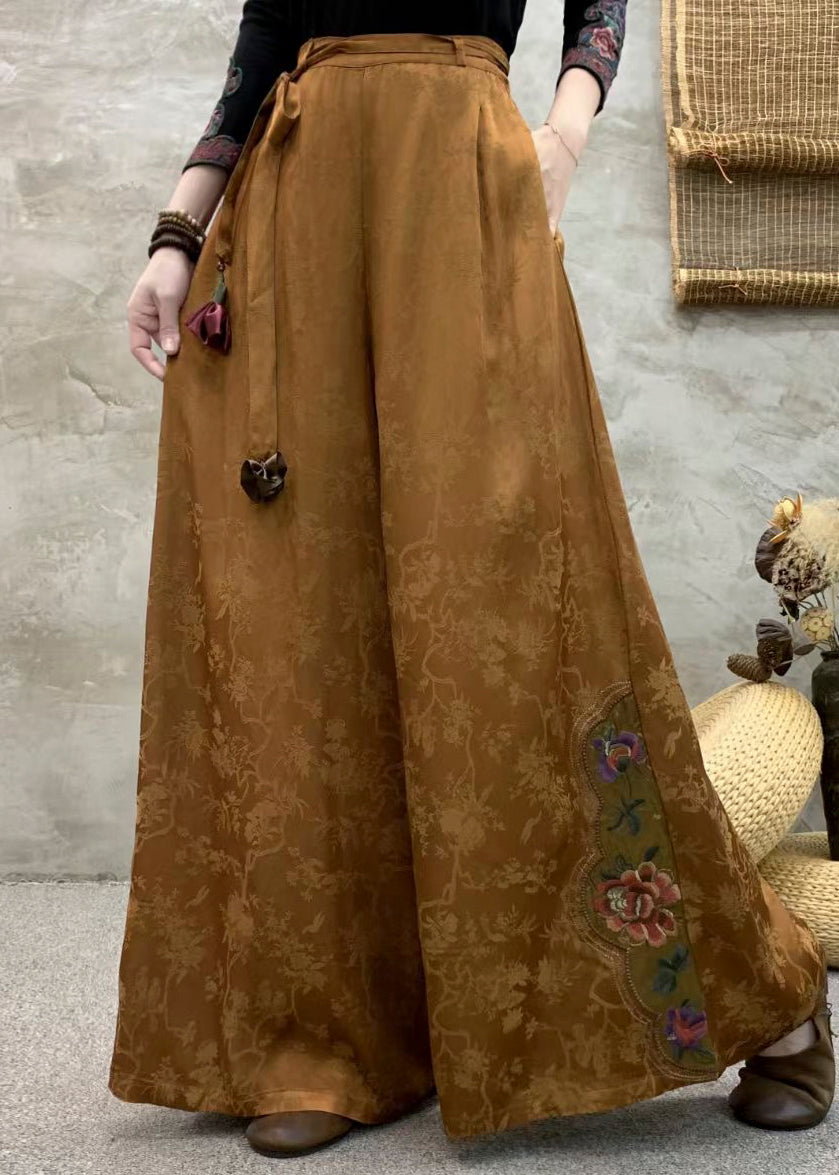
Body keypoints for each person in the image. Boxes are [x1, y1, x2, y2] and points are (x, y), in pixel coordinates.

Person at [110, 1, 835, 1158]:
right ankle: (332, 1037)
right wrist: (174, 235)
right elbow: (263, 41)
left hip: (457, 187)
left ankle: (768, 994)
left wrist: (560, 139)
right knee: (303, 628)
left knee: (522, 614)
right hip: (294, 213)